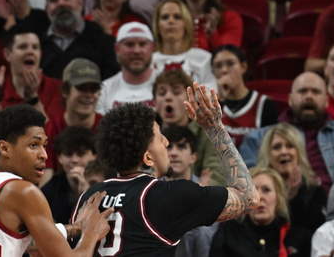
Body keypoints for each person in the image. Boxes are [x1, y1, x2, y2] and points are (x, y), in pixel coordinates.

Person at [73, 87, 259, 255]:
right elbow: (248, 197)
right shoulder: (168, 196)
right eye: (160, 137)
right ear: (148, 158)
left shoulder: (88, 197)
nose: (167, 143)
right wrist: (214, 128)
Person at [0, 104, 111, 257]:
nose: (44, 154)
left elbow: (18, 242)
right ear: (5, 148)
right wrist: (90, 234)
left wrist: (78, 227)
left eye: (44, 145)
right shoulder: (21, 191)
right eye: (33, 145)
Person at [241, 72, 334, 191]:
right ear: (290, 99)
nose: (309, 96)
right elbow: (247, 184)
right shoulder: (257, 138)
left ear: (326, 100)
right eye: (302, 91)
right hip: (282, 203)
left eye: (316, 92)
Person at [210, 166, 313, 257]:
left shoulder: (297, 236)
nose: (259, 197)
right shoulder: (228, 233)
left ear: (278, 198)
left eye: (266, 190)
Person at [154, 70, 226, 186]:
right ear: (154, 103)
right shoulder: (148, 134)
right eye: (162, 93)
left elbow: (216, 176)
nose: (168, 97)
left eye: (176, 92)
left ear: (189, 100)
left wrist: (202, 192)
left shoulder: (208, 132)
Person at [254, 122, 328, 234]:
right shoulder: (256, 191)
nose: (284, 152)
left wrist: (294, 198)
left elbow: (316, 232)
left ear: (299, 153)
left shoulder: (315, 192)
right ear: (268, 155)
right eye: (277, 147)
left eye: (290, 146)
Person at [39, 0, 118, 80]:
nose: (61, 3)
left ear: (80, 2)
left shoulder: (102, 40)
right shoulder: (37, 44)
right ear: (47, 9)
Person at [160, 125, 220, 255]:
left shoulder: (208, 192)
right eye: (169, 147)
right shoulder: (150, 190)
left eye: (181, 147)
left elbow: (208, 242)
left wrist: (199, 200)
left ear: (194, 157)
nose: (174, 153)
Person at [212, 45, 279, 146]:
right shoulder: (208, 106)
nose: (224, 70)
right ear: (213, 72)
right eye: (218, 66)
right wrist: (220, 100)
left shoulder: (264, 105)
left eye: (230, 63)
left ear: (244, 67)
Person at [151, 0, 216, 88]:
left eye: (177, 17)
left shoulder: (204, 59)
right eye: (165, 17)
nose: (171, 21)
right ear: (157, 26)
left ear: (186, 24)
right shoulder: (148, 62)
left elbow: (211, 94)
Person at [96, 21, 158, 113]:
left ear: (152, 48)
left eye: (142, 44)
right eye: (129, 44)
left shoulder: (168, 86)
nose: (136, 51)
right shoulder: (104, 90)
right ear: (117, 49)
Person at [42, 126, 99, 223]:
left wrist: (86, 193)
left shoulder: (105, 182)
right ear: (59, 158)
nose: (74, 160)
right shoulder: (49, 191)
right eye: (68, 154)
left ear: (94, 156)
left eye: (81, 154)